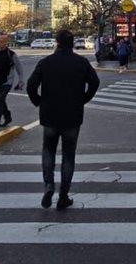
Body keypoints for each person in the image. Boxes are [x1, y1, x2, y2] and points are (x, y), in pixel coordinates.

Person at [27, 30, 99, 211]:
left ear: (57, 42)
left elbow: (31, 85)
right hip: (72, 115)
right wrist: (83, 99)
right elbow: (95, 82)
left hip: (50, 114)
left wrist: (39, 102)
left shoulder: (46, 63)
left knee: (48, 150)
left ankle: (48, 185)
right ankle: (64, 195)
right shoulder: (81, 63)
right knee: (69, 155)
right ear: (72, 43)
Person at [0, 34, 25, 133]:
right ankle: (7, 117)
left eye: (1, 41)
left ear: (6, 43)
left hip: (7, 82)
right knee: (1, 101)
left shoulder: (11, 54)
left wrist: (21, 81)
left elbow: (19, 68)